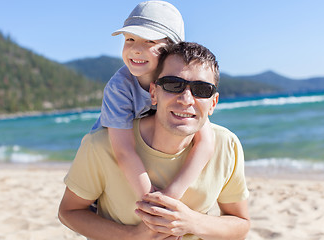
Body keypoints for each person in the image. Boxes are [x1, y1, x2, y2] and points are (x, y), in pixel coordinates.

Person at [59, 42, 250, 240]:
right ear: (153, 93)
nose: (186, 99)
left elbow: (241, 225)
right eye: (173, 84)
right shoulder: (100, 145)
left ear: (213, 103)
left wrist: (191, 222)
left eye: (201, 90)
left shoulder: (226, 145)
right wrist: (132, 236)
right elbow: (69, 211)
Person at [91, 0, 215, 200]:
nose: (136, 49)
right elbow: (123, 151)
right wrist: (152, 201)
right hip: (109, 156)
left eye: (149, 41)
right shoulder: (119, 87)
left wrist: (172, 194)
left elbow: (206, 143)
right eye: (129, 39)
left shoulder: (181, 87)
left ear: (173, 50)